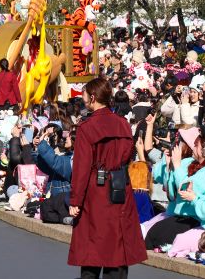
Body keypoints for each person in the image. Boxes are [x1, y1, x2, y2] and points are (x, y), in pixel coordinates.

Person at [68, 77, 146, 278]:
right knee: (117, 250)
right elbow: (128, 156)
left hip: (96, 190)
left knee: (92, 250)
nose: (82, 97)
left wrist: (75, 200)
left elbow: (81, 169)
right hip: (120, 186)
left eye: (84, 94)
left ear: (92, 97)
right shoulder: (123, 124)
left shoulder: (87, 127)